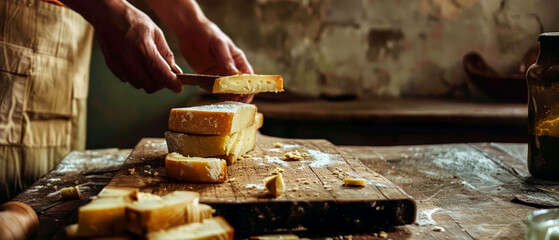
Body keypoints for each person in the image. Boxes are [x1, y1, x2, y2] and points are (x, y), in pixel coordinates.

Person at [0, 0, 254, 202]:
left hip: (67, 32)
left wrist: (190, 21)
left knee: (50, 198)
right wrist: (106, 7)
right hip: (14, 29)